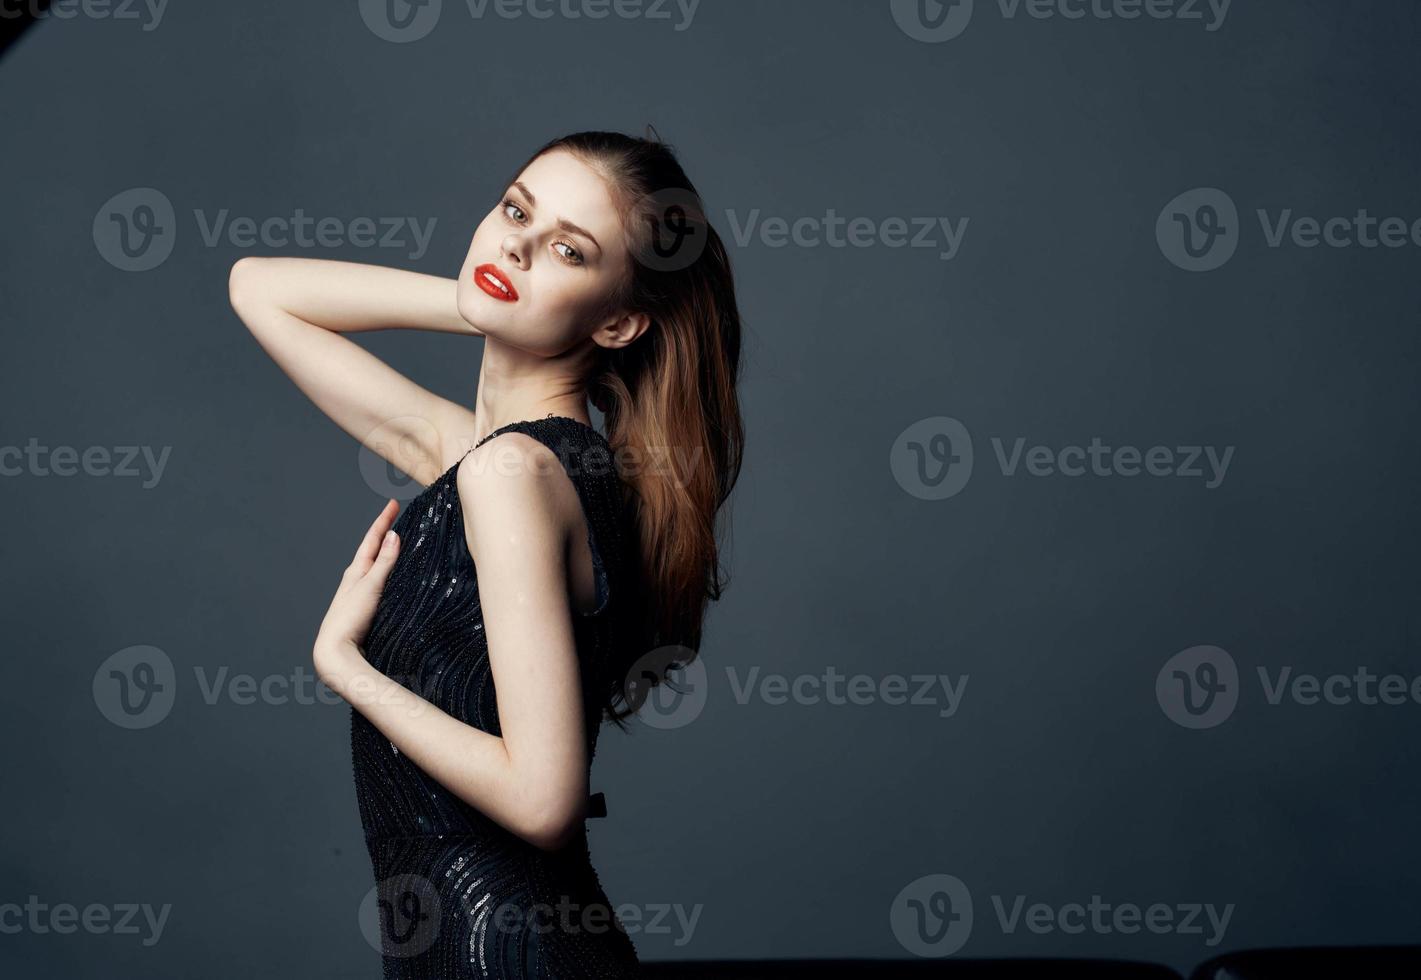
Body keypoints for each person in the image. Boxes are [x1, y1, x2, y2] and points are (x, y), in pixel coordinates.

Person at [227, 129, 744, 978]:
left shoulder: (511, 474)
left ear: (617, 321)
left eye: (568, 252)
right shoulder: (511, 460)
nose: (515, 243)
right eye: (514, 211)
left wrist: (345, 666)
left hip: (504, 955)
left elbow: (544, 801)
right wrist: (491, 296)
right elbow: (259, 288)